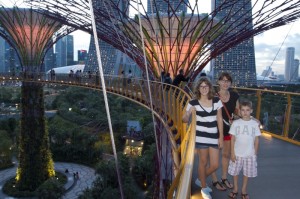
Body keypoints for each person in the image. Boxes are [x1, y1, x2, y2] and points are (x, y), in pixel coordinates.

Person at [182, 77, 223, 199]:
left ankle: (201, 178)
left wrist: (220, 137)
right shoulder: (193, 102)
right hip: (200, 137)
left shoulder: (216, 101)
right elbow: (184, 120)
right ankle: (204, 189)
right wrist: (189, 112)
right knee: (203, 162)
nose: (204, 88)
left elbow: (219, 119)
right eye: (201, 86)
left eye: (206, 86)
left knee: (215, 165)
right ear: (198, 88)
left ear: (210, 87)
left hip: (214, 136)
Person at [211, 72, 239, 191]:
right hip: (214, 130)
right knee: (214, 159)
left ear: (231, 83)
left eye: (228, 81)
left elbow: (238, 111)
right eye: (223, 80)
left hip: (228, 129)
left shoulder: (234, 95)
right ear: (218, 82)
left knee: (226, 155)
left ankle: (223, 178)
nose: (225, 83)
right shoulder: (213, 97)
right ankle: (214, 180)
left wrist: (252, 119)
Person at [228, 100, 261, 199]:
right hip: (237, 154)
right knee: (235, 172)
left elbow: (256, 140)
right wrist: (232, 153)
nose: (245, 112)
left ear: (251, 111)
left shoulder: (254, 124)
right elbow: (232, 139)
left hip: (249, 154)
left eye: (247, 110)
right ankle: (235, 189)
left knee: (247, 173)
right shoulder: (236, 123)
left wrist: (255, 153)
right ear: (240, 111)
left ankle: (244, 190)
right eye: (243, 110)